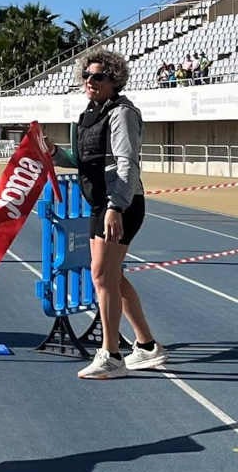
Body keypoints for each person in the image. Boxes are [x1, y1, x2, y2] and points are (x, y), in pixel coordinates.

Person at [46, 49, 166, 379]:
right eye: (86, 76)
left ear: (114, 80)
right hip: (102, 203)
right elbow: (83, 161)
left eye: (98, 76)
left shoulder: (122, 113)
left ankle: (111, 355)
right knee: (111, 276)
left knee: (102, 275)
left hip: (120, 204)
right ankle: (146, 346)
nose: (90, 81)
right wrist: (54, 152)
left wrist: (116, 206)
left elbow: (126, 163)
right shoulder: (89, 114)